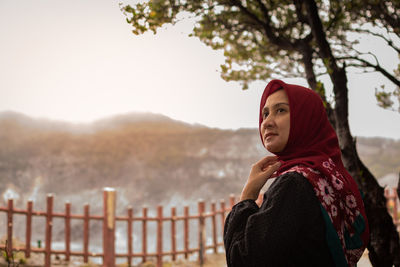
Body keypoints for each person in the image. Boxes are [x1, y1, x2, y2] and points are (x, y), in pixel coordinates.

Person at [223, 79, 369, 267]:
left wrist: (247, 196)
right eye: (265, 113)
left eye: (281, 110)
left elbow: (242, 259)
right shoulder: (327, 176)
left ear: (306, 118)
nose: (266, 122)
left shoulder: (294, 184)